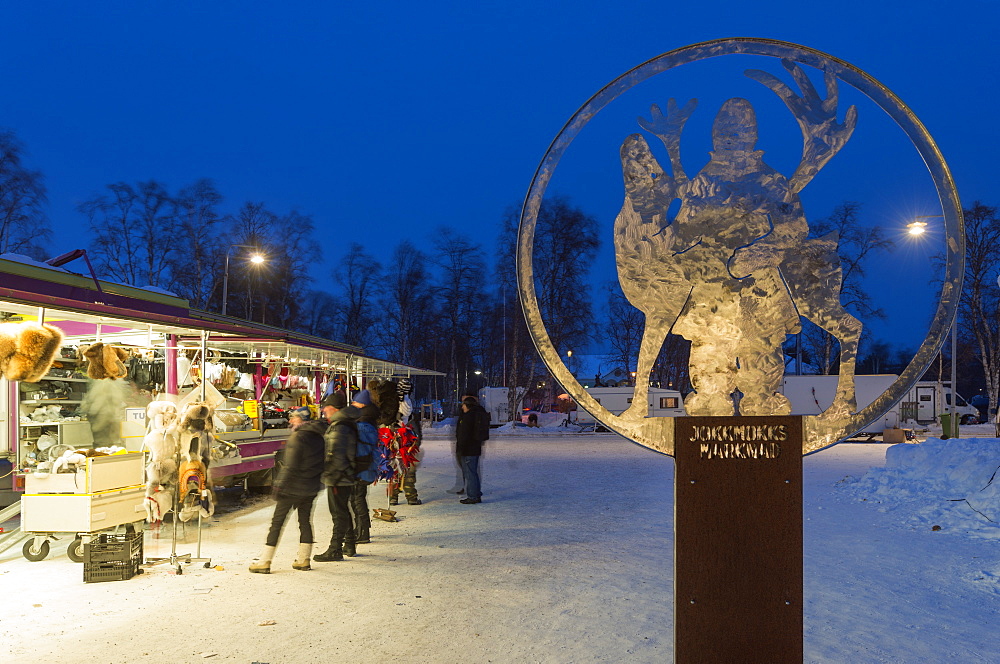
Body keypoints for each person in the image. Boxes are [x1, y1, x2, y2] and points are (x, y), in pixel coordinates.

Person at [249, 406, 326, 573]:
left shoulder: (298, 437)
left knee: (276, 523)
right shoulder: (319, 437)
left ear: (301, 419)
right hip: (311, 487)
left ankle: (265, 561)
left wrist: (278, 487)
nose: (291, 420)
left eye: (294, 417)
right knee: (305, 521)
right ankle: (304, 559)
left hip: (292, 488)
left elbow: (289, 467)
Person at [314, 392, 361, 562]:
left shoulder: (339, 427)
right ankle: (349, 543)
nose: (324, 410)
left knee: (338, 512)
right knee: (343, 509)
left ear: (333, 408)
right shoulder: (344, 423)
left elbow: (335, 454)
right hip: (345, 474)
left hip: (338, 476)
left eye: (325, 407)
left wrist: (330, 474)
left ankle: (335, 549)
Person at [351, 389, 377, 543]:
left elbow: (362, 448)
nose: (353, 405)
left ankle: (363, 533)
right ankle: (360, 528)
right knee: (357, 499)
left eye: (355, 402)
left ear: (361, 404)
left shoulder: (363, 424)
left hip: (362, 468)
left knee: (358, 499)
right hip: (364, 466)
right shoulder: (366, 420)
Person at [455, 395, 489, 504]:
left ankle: (473, 496)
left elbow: (464, 434)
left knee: (470, 473)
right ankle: (476, 493)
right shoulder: (476, 414)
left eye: (463, 405)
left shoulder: (469, 417)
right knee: (473, 472)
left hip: (468, 449)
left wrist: (460, 448)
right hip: (474, 448)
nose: (462, 407)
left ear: (468, 406)